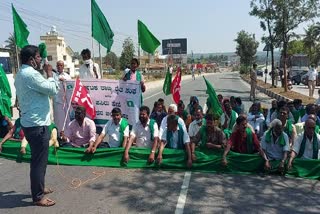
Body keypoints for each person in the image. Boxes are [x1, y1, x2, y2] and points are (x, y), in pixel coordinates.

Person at [14, 45, 58, 206]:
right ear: (31, 59)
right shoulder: (31, 75)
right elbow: (52, 89)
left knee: (39, 159)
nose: (41, 60)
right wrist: (50, 74)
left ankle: (40, 187)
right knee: (39, 161)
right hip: (37, 125)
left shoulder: (20, 74)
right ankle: (38, 196)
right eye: (39, 57)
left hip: (30, 123)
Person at [53, 60, 71, 132]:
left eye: (61, 65)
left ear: (63, 66)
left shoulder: (67, 76)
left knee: (66, 118)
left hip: (65, 100)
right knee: (58, 118)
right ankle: (58, 134)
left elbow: (70, 86)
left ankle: (67, 134)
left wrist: (64, 81)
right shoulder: (53, 75)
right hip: (57, 100)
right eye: (58, 65)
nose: (59, 67)